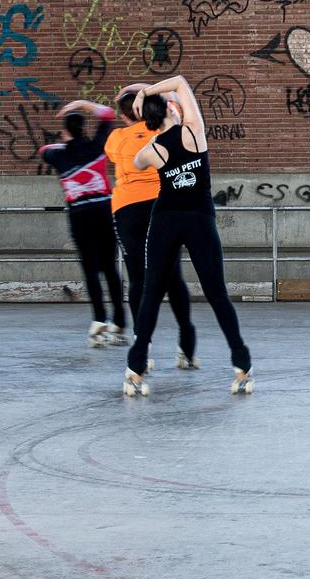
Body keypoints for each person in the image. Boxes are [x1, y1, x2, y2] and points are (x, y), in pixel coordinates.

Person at [124, 74, 251, 398]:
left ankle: (135, 371)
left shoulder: (152, 150)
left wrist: (147, 123)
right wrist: (148, 92)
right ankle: (242, 367)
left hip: (166, 220)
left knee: (152, 292)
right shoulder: (194, 132)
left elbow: (137, 164)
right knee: (216, 294)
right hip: (199, 221)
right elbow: (180, 81)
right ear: (171, 108)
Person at [104, 84, 195, 366]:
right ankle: (186, 346)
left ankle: (143, 346)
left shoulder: (116, 138)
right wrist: (147, 89)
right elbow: (177, 103)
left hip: (127, 209)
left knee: (138, 278)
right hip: (162, 205)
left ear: (124, 114)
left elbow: (113, 154)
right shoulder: (163, 130)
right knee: (173, 277)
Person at [44, 101, 127, 346]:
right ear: (84, 129)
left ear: (66, 132)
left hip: (79, 214)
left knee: (90, 268)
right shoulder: (97, 147)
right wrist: (81, 104)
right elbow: (109, 114)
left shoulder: (58, 155)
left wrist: (66, 141)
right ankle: (120, 319)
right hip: (103, 209)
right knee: (110, 268)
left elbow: (45, 149)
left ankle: (99, 317)